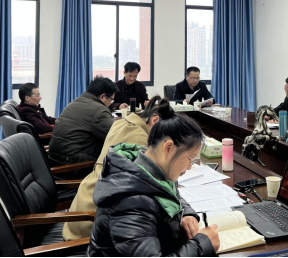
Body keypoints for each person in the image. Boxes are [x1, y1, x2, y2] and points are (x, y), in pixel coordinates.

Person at [87, 104, 220, 257]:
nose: (190, 167)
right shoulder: (131, 202)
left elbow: (167, 193)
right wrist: (202, 245)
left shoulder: (150, 168)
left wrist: (186, 213)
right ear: (168, 147)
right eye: (190, 158)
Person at [64, 96, 165, 241]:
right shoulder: (139, 138)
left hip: (82, 204)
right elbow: (147, 186)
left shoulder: (122, 122)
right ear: (155, 120)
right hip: (93, 221)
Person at [48, 76, 118, 165]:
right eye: (111, 100)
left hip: (54, 158)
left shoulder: (74, 102)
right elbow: (115, 136)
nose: (110, 103)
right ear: (103, 97)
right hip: (74, 164)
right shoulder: (100, 110)